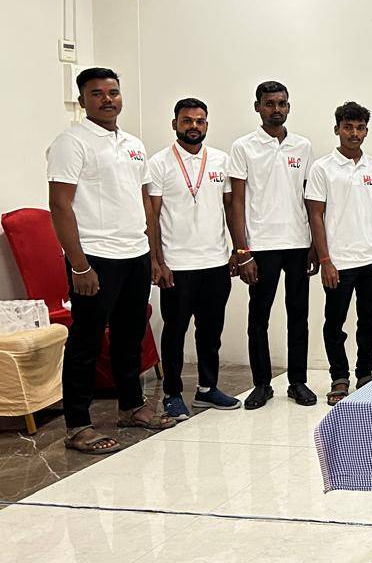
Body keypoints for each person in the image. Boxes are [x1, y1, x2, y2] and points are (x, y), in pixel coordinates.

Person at [48, 67, 176, 454]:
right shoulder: (71, 142)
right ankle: (78, 425)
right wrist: (79, 265)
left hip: (134, 253)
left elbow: (143, 202)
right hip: (95, 257)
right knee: (86, 341)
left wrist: (152, 255)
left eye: (113, 92)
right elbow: (60, 205)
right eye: (97, 93)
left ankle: (132, 407)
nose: (107, 99)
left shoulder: (133, 143)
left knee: (129, 336)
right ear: (82, 100)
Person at [147, 98, 241, 421]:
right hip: (177, 265)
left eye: (200, 121)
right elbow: (152, 216)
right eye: (187, 121)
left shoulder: (220, 160)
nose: (193, 126)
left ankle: (207, 389)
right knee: (175, 331)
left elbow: (230, 208)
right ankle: (172, 394)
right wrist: (157, 261)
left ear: (206, 125)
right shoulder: (159, 163)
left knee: (211, 331)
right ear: (175, 124)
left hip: (215, 262)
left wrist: (237, 250)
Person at [227, 81, 318, 409]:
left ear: (288, 107)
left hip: (298, 243)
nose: (276, 109)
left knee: (299, 315)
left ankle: (298, 382)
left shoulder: (302, 146)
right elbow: (236, 201)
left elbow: (309, 197)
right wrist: (242, 250)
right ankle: (262, 384)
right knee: (259, 317)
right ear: (258, 107)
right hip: (261, 245)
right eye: (269, 103)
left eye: (281, 103)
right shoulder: (243, 147)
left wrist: (314, 244)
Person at [306, 102, 372, 406]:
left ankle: (365, 372)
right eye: (348, 127)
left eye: (360, 128)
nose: (354, 133)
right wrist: (325, 259)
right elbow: (315, 215)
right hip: (339, 261)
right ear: (337, 129)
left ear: (366, 131)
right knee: (334, 322)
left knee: (369, 320)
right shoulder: (322, 168)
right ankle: (339, 377)